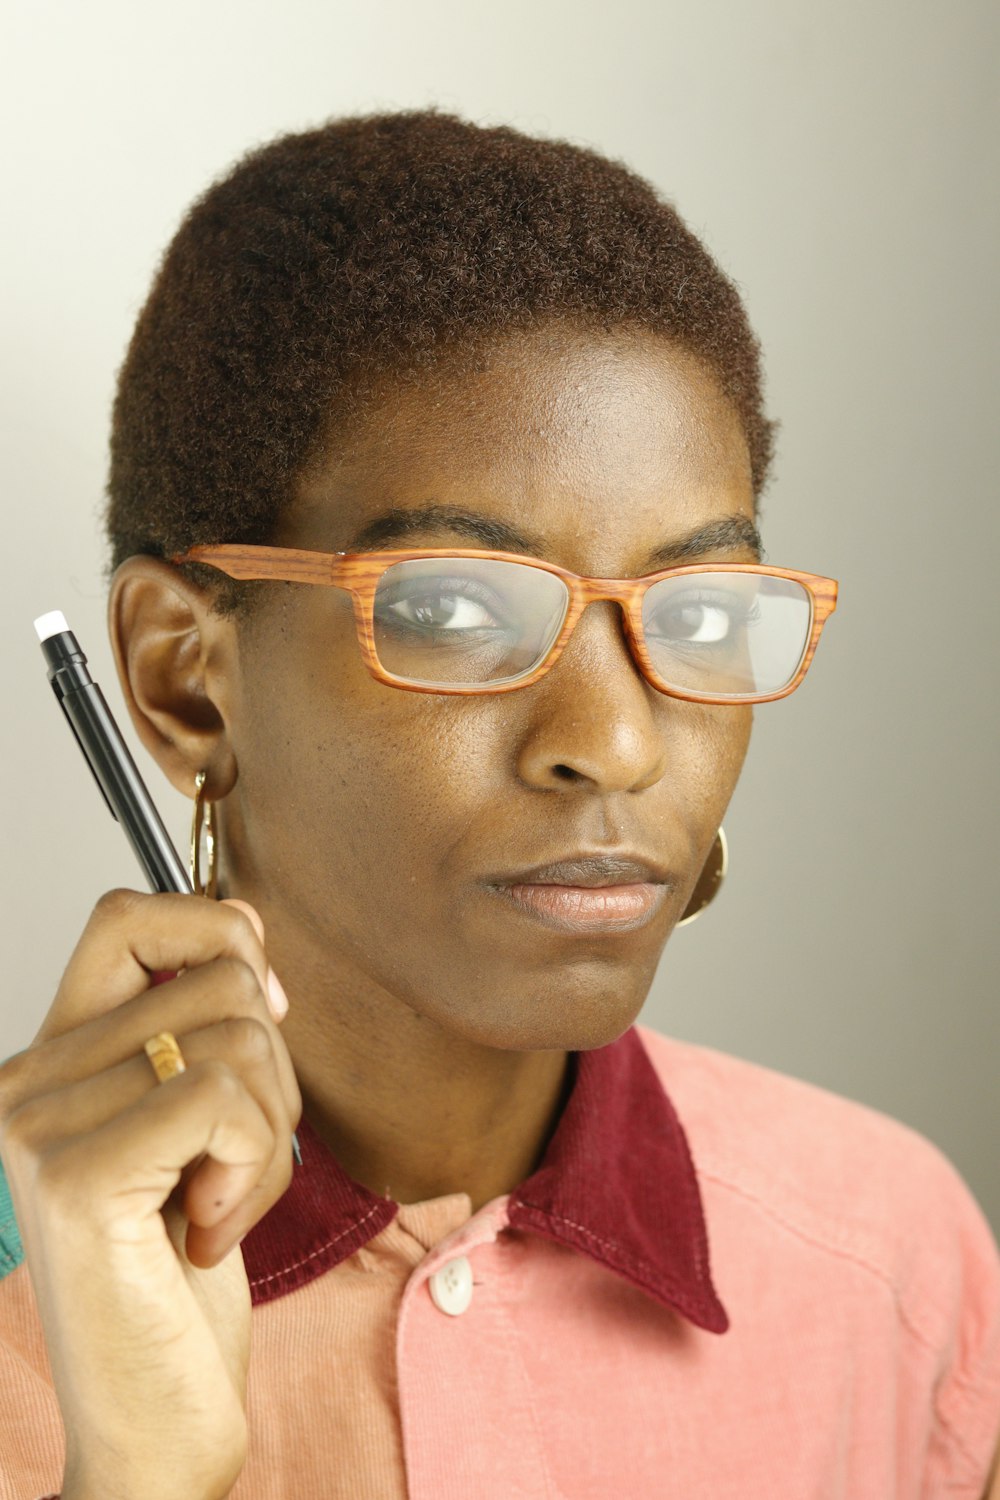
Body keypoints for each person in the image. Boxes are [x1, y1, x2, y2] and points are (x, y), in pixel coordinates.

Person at [0, 109, 997, 1500]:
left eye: (697, 610)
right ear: (186, 683)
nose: (615, 741)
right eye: (456, 605)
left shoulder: (896, 1267)